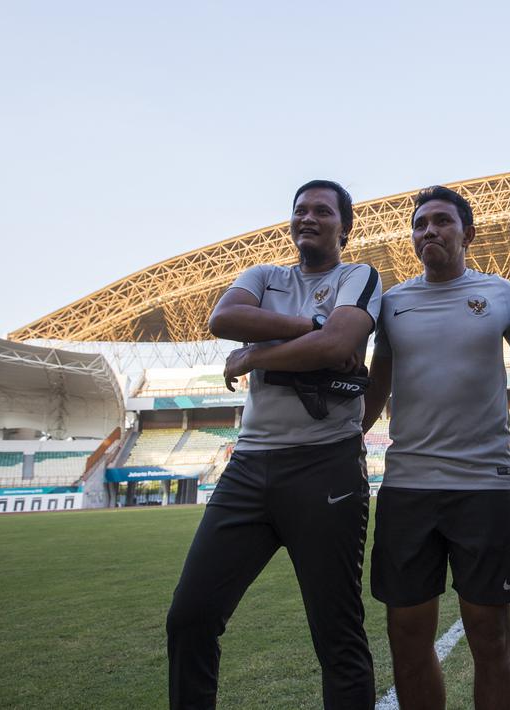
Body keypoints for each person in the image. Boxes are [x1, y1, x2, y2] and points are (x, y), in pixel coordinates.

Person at [166, 179, 380, 709]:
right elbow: (224, 319)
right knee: (190, 616)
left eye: (323, 211)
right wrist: (309, 326)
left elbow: (339, 343)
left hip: (325, 465)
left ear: (344, 227)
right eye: (300, 210)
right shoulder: (263, 275)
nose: (308, 217)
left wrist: (256, 354)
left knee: (337, 634)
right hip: (250, 467)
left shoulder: (359, 276)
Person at [362, 185, 510, 709]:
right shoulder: (393, 303)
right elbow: (377, 387)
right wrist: (344, 439)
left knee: (490, 637)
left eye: (442, 221)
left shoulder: (499, 294)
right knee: (406, 636)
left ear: (467, 233)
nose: (430, 231)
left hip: (482, 487)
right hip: (407, 488)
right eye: (421, 224)